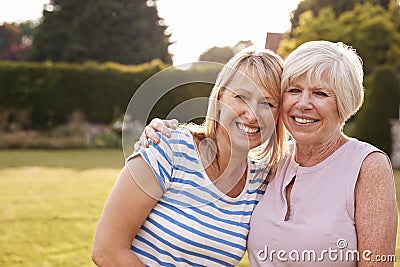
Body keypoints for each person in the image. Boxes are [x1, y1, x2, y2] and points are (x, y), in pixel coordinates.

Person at [139, 40, 398, 266]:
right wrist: (166, 130)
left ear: (345, 103)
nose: (303, 103)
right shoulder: (272, 166)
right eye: (294, 90)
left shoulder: (367, 166)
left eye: (320, 93)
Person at [91, 47, 287, 266]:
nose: (252, 115)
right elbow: (107, 250)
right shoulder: (168, 147)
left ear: (278, 115)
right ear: (221, 97)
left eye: (267, 103)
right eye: (242, 97)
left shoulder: (262, 183)